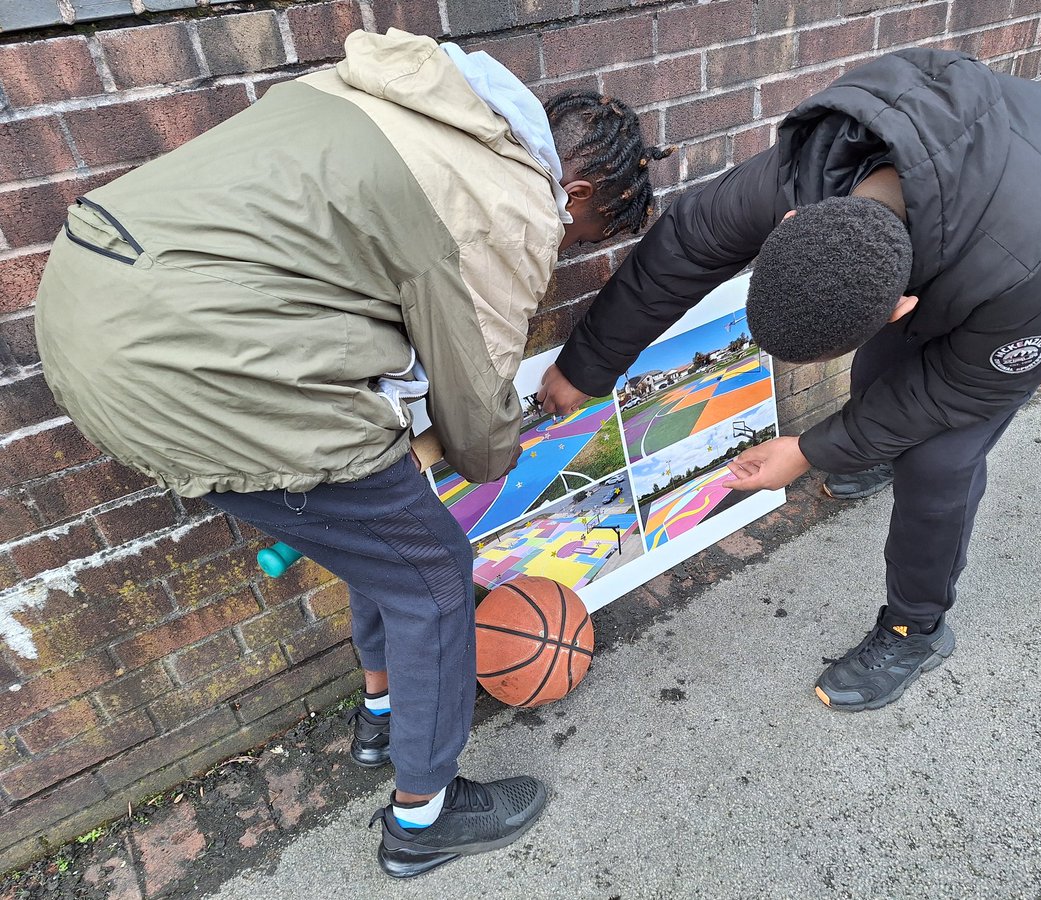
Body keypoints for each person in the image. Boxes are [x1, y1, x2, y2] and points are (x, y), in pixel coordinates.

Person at [35, 29, 669, 878]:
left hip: (89, 315)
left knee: (386, 539)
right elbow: (478, 414)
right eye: (584, 230)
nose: (567, 244)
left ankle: (382, 713)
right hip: (196, 369)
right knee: (437, 574)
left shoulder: (405, 95)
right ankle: (425, 819)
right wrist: (502, 441)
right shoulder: (512, 199)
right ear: (574, 189)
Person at [539, 49, 1041, 713]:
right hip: (999, 160)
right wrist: (586, 365)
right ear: (791, 223)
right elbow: (687, 244)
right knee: (880, 375)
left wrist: (809, 451)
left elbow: (960, 390)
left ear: (901, 309)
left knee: (941, 457)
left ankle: (915, 629)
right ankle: (875, 454)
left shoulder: (1026, 280)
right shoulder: (806, 171)